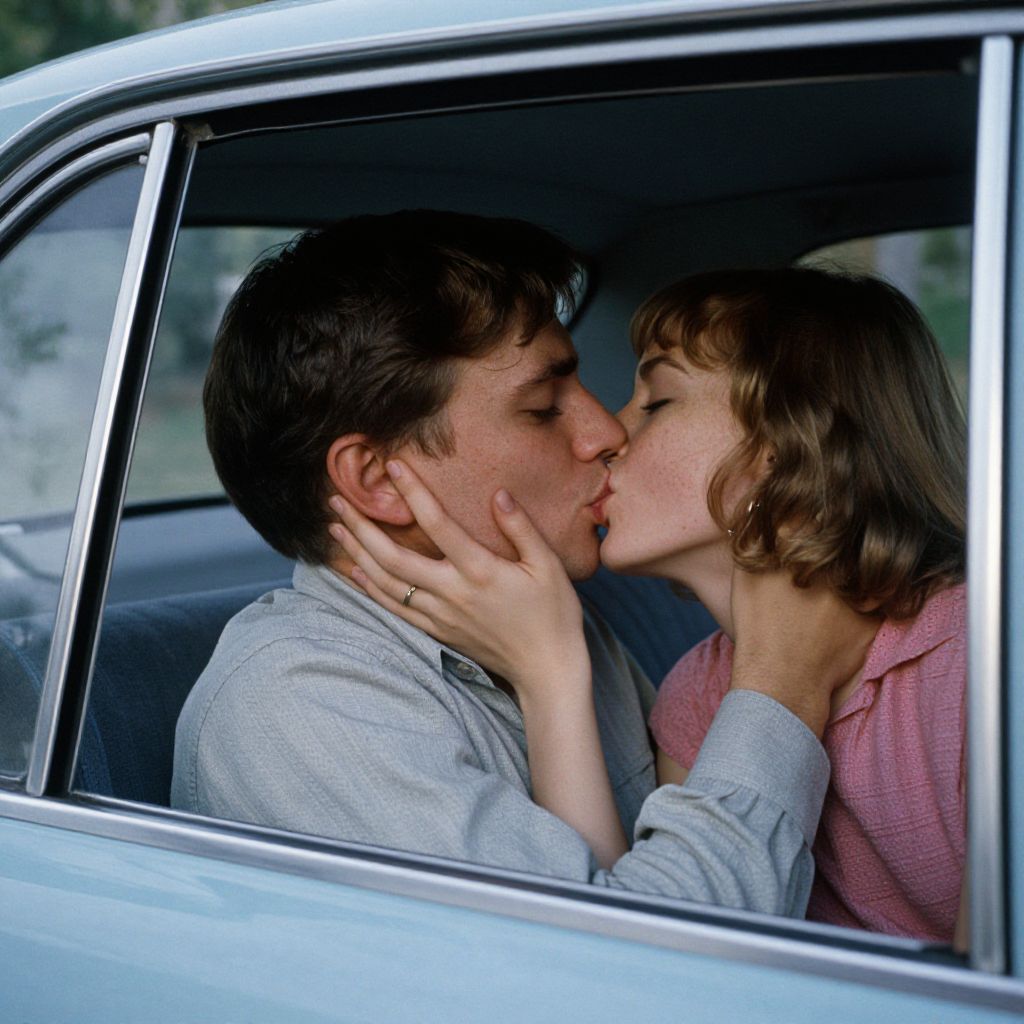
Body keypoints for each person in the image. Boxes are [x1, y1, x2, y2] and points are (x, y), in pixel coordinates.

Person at [172, 212, 868, 913]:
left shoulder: (545, 612)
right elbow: (640, 966)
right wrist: (784, 678)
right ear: (379, 481)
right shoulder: (298, 708)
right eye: (542, 408)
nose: (606, 432)